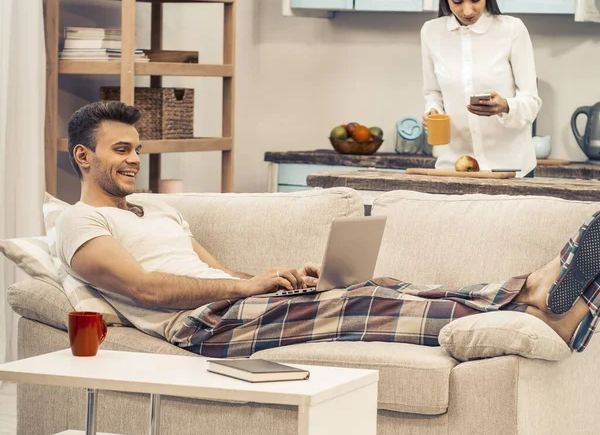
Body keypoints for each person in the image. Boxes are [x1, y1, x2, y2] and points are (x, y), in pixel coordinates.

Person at [57, 101, 598, 358]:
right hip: (200, 327)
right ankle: (539, 297)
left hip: (232, 305)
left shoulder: (157, 209)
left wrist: (277, 278)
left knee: (374, 288)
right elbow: (145, 290)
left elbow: (218, 274)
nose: (133, 160)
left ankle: (534, 295)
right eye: (120, 150)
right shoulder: (80, 221)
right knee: (365, 307)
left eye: (137, 149)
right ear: (84, 156)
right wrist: (244, 288)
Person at [421, 0, 541, 177]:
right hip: (454, 168)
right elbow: (433, 92)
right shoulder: (431, 32)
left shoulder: (512, 30)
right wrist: (432, 111)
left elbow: (532, 102)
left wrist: (505, 106)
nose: (467, 10)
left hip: (511, 169)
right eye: (456, 1)